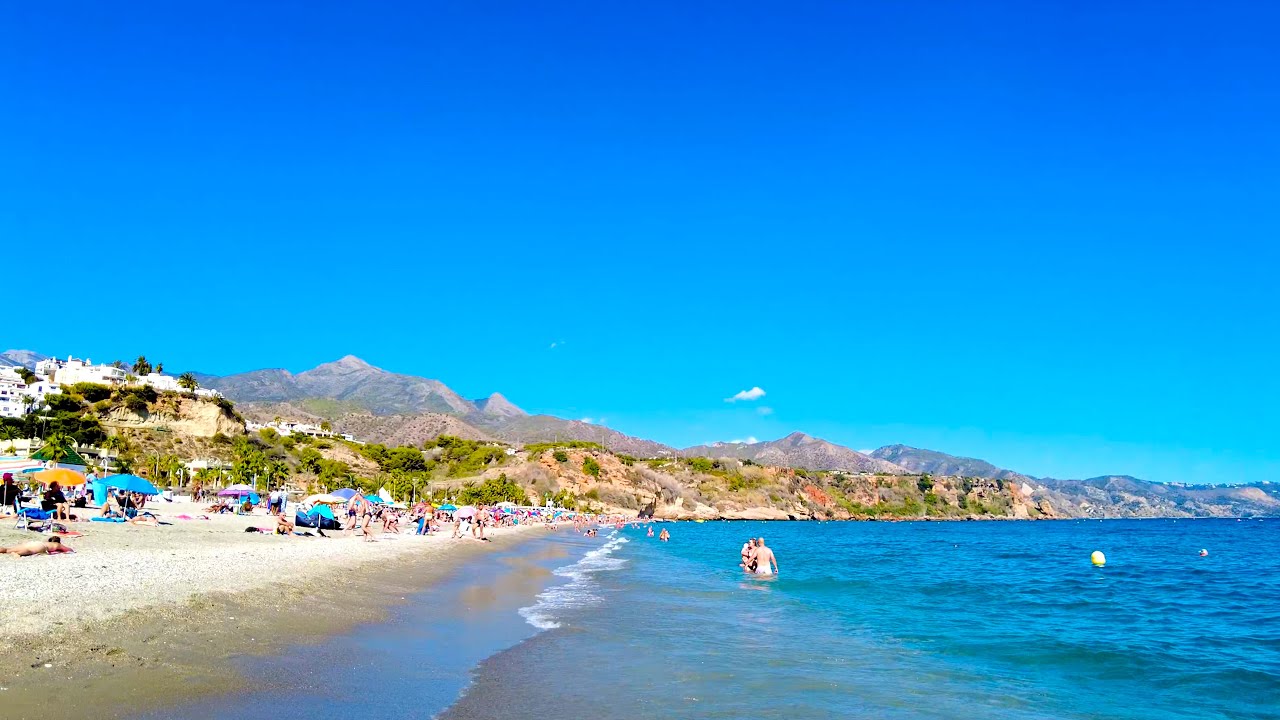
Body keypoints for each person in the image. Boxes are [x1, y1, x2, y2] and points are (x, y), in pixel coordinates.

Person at [0, 536, 74, 556]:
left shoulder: (47, 542)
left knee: (7, 549)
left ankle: (10, 551)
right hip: (40, 546)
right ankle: (17, 553)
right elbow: (68, 549)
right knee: (29, 550)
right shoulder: (57, 544)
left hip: (34, 542)